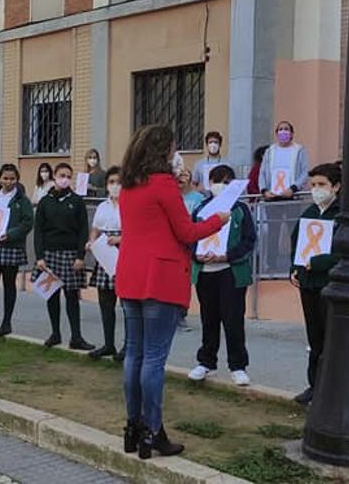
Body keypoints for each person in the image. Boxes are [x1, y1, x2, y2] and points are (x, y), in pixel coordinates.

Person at [117, 124, 228, 460]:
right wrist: (218, 219)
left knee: (134, 354)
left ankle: (133, 427)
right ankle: (152, 430)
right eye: (173, 149)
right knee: (153, 358)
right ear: (164, 151)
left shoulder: (128, 185)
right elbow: (186, 231)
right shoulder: (163, 184)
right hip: (160, 276)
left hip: (131, 274)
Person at [187, 165, 256, 387]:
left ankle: (238, 366)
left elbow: (249, 240)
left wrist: (227, 255)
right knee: (209, 319)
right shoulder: (200, 209)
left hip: (230, 272)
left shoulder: (240, 210)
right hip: (206, 272)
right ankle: (206, 361)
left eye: (227, 182)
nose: (222, 186)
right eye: (218, 181)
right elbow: (190, 237)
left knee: (233, 319)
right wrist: (198, 256)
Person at [288, 163, 342, 405]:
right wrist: (295, 269)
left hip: (329, 284)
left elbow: (343, 251)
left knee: (331, 337)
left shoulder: (342, 214)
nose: (317, 189)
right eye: (313, 185)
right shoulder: (309, 213)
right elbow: (296, 244)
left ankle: (332, 388)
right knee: (314, 338)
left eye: (322, 185)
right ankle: (314, 385)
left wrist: (318, 263)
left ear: (336, 186)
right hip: (308, 284)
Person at [33, 163, 95, 350]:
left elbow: (83, 230)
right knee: (51, 295)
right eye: (62, 175)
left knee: (71, 296)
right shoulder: (45, 201)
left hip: (70, 255)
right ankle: (55, 333)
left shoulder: (76, 201)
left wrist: (80, 256)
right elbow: (38, 232)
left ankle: (76, 337)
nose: (65, 178)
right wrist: (40, 257)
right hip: (50, 254)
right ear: (54, 177)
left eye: (68, 176)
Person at [0, 164, 36, 338]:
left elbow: (27, 222)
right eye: (5, 178)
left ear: (17, 180)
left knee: (9, 284)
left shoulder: (22, 200)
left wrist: (11, 234)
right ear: (0, 178)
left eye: (12, 178)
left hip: (10, 246)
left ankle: (6, 322)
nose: (8, 182)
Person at [88, 166, 125, 361]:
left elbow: (137, 231)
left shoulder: (130, 204)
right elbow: (95, 229)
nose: (115, 186)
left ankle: (129, 346)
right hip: (105, 254)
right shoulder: (102, 206)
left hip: (124, 253)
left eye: (118, 182)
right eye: (111, 182)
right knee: (105, 302)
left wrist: (120, 240)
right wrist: (92, 241)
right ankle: (108, 343)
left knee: (128, 304)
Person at [259, 121, 309, 200]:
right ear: (276, 134)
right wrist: (264, 190)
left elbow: (305, 172)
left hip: (293, 195)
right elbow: (262, 173)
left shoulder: (299, 150)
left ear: (292, 134)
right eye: (280, 129)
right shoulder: (269, 151)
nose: (283, 131)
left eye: (286, 129)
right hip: (272, 195)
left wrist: (293, 188)